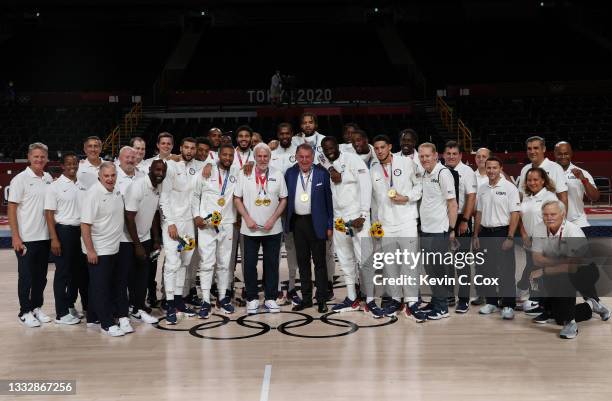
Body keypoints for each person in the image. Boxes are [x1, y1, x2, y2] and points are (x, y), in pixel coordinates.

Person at [531, 200, 609, 339]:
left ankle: (570, 323)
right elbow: (537, 259)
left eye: (553, 214)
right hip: (560, 268)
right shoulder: (538, 228)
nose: (549, 218)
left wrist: (545, 270)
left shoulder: (573, 231)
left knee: (561, 276)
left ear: (563, 214)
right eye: (545, 214)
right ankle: (591, 305)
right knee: (558, 316)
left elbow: (572, 266)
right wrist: (558, 263)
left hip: (585, 272)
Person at [321, 137, 379, 317]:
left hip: (357, 219)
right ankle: (352, 298)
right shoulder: (325, 160)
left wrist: (363, 214)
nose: (329, 151)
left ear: (337, 146)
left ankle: (370, 300)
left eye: (332, 147)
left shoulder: (353, 159)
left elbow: (366, 185)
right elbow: (319, 157)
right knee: (345, 260)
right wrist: (331, 169)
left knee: (365, 259)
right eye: (326, 149)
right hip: (339, 220)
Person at [370, 135, 424, 321]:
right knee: (390, 266)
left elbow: (419, 187)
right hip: (386, 224)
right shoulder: (374, 169)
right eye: (376, 148)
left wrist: (406, 197)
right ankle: (395, 300)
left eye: (382, 147)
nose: (379, 151)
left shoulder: (406, 163)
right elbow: (374, 201)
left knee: (409, 263)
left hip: (407, 220)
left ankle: (412, 301)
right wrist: (375, 224)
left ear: (390, 147)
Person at [234, 143, 288, 315]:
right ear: (254, 157)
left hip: (272, 228)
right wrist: (247, 218)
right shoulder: (245, 173)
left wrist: (273, 219)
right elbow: (237, 198)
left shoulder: (278, 174)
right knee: (249, 265)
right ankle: (252, 298)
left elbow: (283, 199)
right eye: (260, 156)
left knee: (271, 264)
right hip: (249, 228)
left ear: (270, 158)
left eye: (266, 156)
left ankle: (271, 298)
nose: (263, 159)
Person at [9, 142, 54, 327]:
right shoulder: (19, 179)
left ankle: (36, 307)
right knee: (26, 277)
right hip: (26, 238)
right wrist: (15, 236)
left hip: (44, 238)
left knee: (40, 277)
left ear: (47, 159)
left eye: (42, 156)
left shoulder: (49, 178)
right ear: (29, 157)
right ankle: (24, 311)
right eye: (36, 156)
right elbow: (12, 209)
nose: (39, 159)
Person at [191, 144, 239, 318]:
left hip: (227, 224)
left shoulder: (236, 172)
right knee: (206, 263)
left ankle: (223, 298)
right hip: (206, 224)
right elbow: (195, 195)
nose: (227, 158)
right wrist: (196, 215)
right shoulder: (206, 171)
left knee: (224, 263)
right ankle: (205, 300)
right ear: (218, 155)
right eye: (224, 155)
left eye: (230, 155)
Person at [159, 137, 203, 324]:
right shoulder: (171, 165)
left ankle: (179, 300)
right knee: (172, 263)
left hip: (188, 225)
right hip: (173, 224)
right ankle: (169, 303)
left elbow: (194, 197)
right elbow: (164, 197)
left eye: (193, 148)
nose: (190, 151)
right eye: (186, 147)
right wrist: (170, 222)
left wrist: (196, 218)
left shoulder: (197, 168)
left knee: (185, 261)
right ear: (181, 148)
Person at [285, 144, 333, 313]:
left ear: (312, 158)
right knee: (303, 263)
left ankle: (321, 299)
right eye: (301, 157)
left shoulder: (322, 174)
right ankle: (306, 299)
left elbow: (329, 202)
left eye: (307, 157)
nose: (304, 160)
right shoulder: (290, 173)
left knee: (320, 264)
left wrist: (329, 225)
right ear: (296, 157)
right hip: (298, 223)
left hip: (317, 223)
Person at [80, 162, 127, 337]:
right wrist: (91, 250)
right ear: (99, 176)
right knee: (102, 288)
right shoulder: (93, 194)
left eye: (112, 175)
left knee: (97, 286)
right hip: (99, 249)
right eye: (106, 176)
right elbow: (85, 225)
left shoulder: (115, 191)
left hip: (113, 248)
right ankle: (106, 323)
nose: (110, 179)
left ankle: (93, 318)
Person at [473, 157, 520, 320]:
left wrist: (510, 236)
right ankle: (491, 302)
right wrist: (476, 234)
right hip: (485, 232)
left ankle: (508, 305)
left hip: (502, 233)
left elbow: (515, 213)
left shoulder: (509, 188)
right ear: (485, 169)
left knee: (506, 271)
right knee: (487, 270)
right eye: (489, 168)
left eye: (494, 167)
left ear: (501, 168)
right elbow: (478, 212)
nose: (491, 171)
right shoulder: (482, 188)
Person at [44, 151, 87, 325]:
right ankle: (61, 313)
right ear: (62, 165)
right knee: (63, 273)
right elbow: (49, 213)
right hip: (63, 232)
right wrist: (54, 239)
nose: (72, 166)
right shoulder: (54, 186)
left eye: (75, 163)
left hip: (80, 233)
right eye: (68, 163)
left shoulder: (82, 185)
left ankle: (69, 306)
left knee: (76, 274)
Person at [418, 143, 458, 321]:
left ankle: (442, 308)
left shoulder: (444, 173)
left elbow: (452, 203)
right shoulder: (426, 173)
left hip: (439, 230)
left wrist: (451, 230)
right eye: (422, 156)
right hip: (426, 229)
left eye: (427, 156)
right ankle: (436, 301)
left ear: (435, 155)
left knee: (438, 270)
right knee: (430, 269)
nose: (424, 159)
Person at [123, 159, 167, 324]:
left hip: (145, 237)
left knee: (142, 275)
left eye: (162, 171)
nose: (160, 174)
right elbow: (129, 217)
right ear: (150, 169)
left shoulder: (157, 187)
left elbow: (154, 213)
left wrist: (155, 238)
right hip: (128, 239)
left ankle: (137, 307)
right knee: (129, 276)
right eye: (157, 170)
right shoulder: (138, 186)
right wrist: (137, 245)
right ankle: (133, 308)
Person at [517, 167, 559, 315]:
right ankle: (530, 295)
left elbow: (554, 221)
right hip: (529, 240)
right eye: (529, 180)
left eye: (536, 179)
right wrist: (523, 234)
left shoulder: (550, 197)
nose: (532, 182)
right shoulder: (527, 196)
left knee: (538, 269)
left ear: (543, 180)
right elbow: (520, 217)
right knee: (531, 267)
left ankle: (538, 300)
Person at [442, 140, 477, 312]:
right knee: (446, 260)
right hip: (443, 219)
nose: (451, 156)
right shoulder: (440, 170)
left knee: (461, 261)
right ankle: (448, 294)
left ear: (461, 155)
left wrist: (464, 220)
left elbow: (471, 197)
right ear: (443, 155)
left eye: (454, 153)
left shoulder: (467, 171)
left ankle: (463, 299)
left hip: (462, 219)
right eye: (448, 153)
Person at [270, 123, 300, 305]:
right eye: (281, 133)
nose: (285, 136)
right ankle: (273, 288)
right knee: (272, 251)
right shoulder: (271, 153)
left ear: (292, 135)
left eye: (288, 133)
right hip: (271, 208)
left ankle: (291, 287)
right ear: (277, 135)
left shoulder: (299, 151)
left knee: (291, 250)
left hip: (292, 208)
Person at [554, 141, 600, 233]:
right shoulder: (545, 172)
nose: (563, 156)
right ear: (555, 154)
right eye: (560, 154)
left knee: (582, 246)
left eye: (566, 153)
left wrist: (583, 179)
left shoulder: (582, 173)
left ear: (571, 154)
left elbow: (595, 197)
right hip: (552, 220)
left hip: (577, 220)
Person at [517, 136, 568, 209]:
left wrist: (563, 219)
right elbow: (521, 195)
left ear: (543, 149)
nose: (532, 151)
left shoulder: (555, 168)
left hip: (548, 217)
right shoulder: (525, 169)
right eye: (529, 149)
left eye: (536, 148)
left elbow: (563, 197)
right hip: (528, 216)